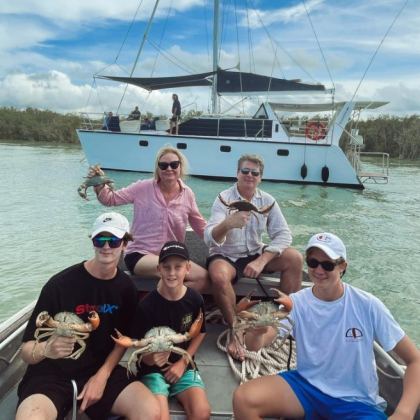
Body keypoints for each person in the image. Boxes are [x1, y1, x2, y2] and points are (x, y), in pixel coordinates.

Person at [233, 232, 420, 420]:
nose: (319, 270)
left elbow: (414, 360)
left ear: (342, 266)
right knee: (244, 399)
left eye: (328, 264)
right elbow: (254, 345)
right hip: (307, 387)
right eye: (313, 263)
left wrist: (405, 412)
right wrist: (258, 330)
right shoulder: (295, 303)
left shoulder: (368, 305)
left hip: (356, 402)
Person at [15, 212, 160, 420]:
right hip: (50, 375)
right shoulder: (59, 285)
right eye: (100, 239)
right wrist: (47, 349)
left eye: (114, 240)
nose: (106, 247)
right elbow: (26, 351)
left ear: (125, 244)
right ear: (93, 240)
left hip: (98, 369)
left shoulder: (126, 288)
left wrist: (102, 376)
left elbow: (122, 340)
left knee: (150, 412)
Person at [204, 154, 302, 360]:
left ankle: (281, 320)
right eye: (245, 171)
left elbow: (284, 235)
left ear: (260, 178)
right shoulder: (223, 199)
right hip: (227, 254)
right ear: (237, 174)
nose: (249, 175)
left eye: (254, 173)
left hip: (255, 253)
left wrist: (262, 260)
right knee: (219, 276)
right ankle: (236, 330)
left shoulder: (267, 201)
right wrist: (227, 224)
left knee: (294, 258)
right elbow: (209, 238)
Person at [91, 146, 209, 292]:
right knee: (170, 272)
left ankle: (168, 306)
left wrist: (223, 244)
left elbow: (201, 227)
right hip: (140, 254)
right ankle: (159, 307)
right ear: (157, 168)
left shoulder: (188, 194)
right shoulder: (142, 187)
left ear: (180, 167)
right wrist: (99, 183)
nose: (169, 168)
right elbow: (111, 199)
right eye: (163, 165)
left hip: (171, 254)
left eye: (174, 164)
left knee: (203, 277)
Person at [130, 241, 211, 420]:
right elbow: (137, 346)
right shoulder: (146, 306)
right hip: (152, 370)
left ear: (188, 268)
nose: (172, 273)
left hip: (183, 365)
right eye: (166, 267)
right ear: (159, 269)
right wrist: (152, 358)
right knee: (159, 416)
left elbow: (201, 332)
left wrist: (183, 363)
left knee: (202, 413)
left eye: (178, 267)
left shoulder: (195, 299)